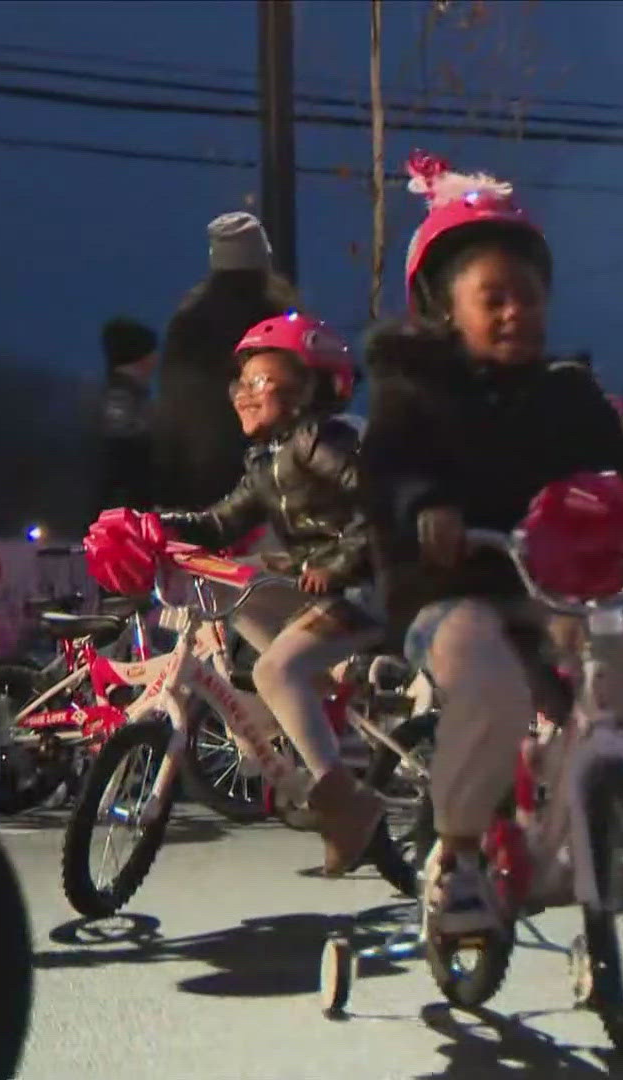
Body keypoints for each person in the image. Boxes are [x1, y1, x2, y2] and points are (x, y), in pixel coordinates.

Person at [360, 152, 623, 935]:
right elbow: (389, 474)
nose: (514, 314)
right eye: (492, 298)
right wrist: (426, 508)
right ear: (441, 307)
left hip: (553, 586)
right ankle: (458, 858)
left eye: (528, 296)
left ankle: (583, 805)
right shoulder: (414, 396)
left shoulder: (566, 392)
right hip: (451, 588)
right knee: (490, 683)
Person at [153, 312, 384, 875]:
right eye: (241, 384)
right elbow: (222, 521)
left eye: (261, 382)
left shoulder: (324, 442)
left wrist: (339, 563)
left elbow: (384, 507)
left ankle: (345, 804)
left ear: (312, 389)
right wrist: (158, 524)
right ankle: (314, 689)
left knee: (273, 672)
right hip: (317, 580)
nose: (245, 397)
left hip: (369, 585)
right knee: (225, 580)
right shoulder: (266, 460)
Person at [152, 212, 300, 510]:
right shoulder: (276, 316)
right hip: (262, 465)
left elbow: (172, 396)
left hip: (195, 465)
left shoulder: (188, 319)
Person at [98, 316, 157, 512]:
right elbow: (121, 461)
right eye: (151, 353)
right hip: (121, 515)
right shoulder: (121, 400)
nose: (155, 360)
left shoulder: (130, 396)